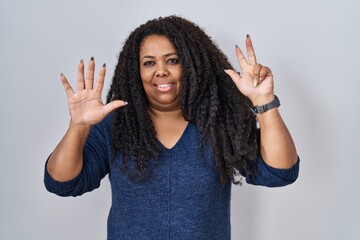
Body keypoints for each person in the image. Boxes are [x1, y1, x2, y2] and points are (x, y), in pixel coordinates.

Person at [44, 15, 299, 240]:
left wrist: (265, 102)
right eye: (149, 63)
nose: (161, 71)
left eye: (172, 60)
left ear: (190, 65)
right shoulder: (116, 124)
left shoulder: (217, 122)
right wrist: (78, 127)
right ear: (135, 71)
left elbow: (279, 173)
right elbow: (62, 183)